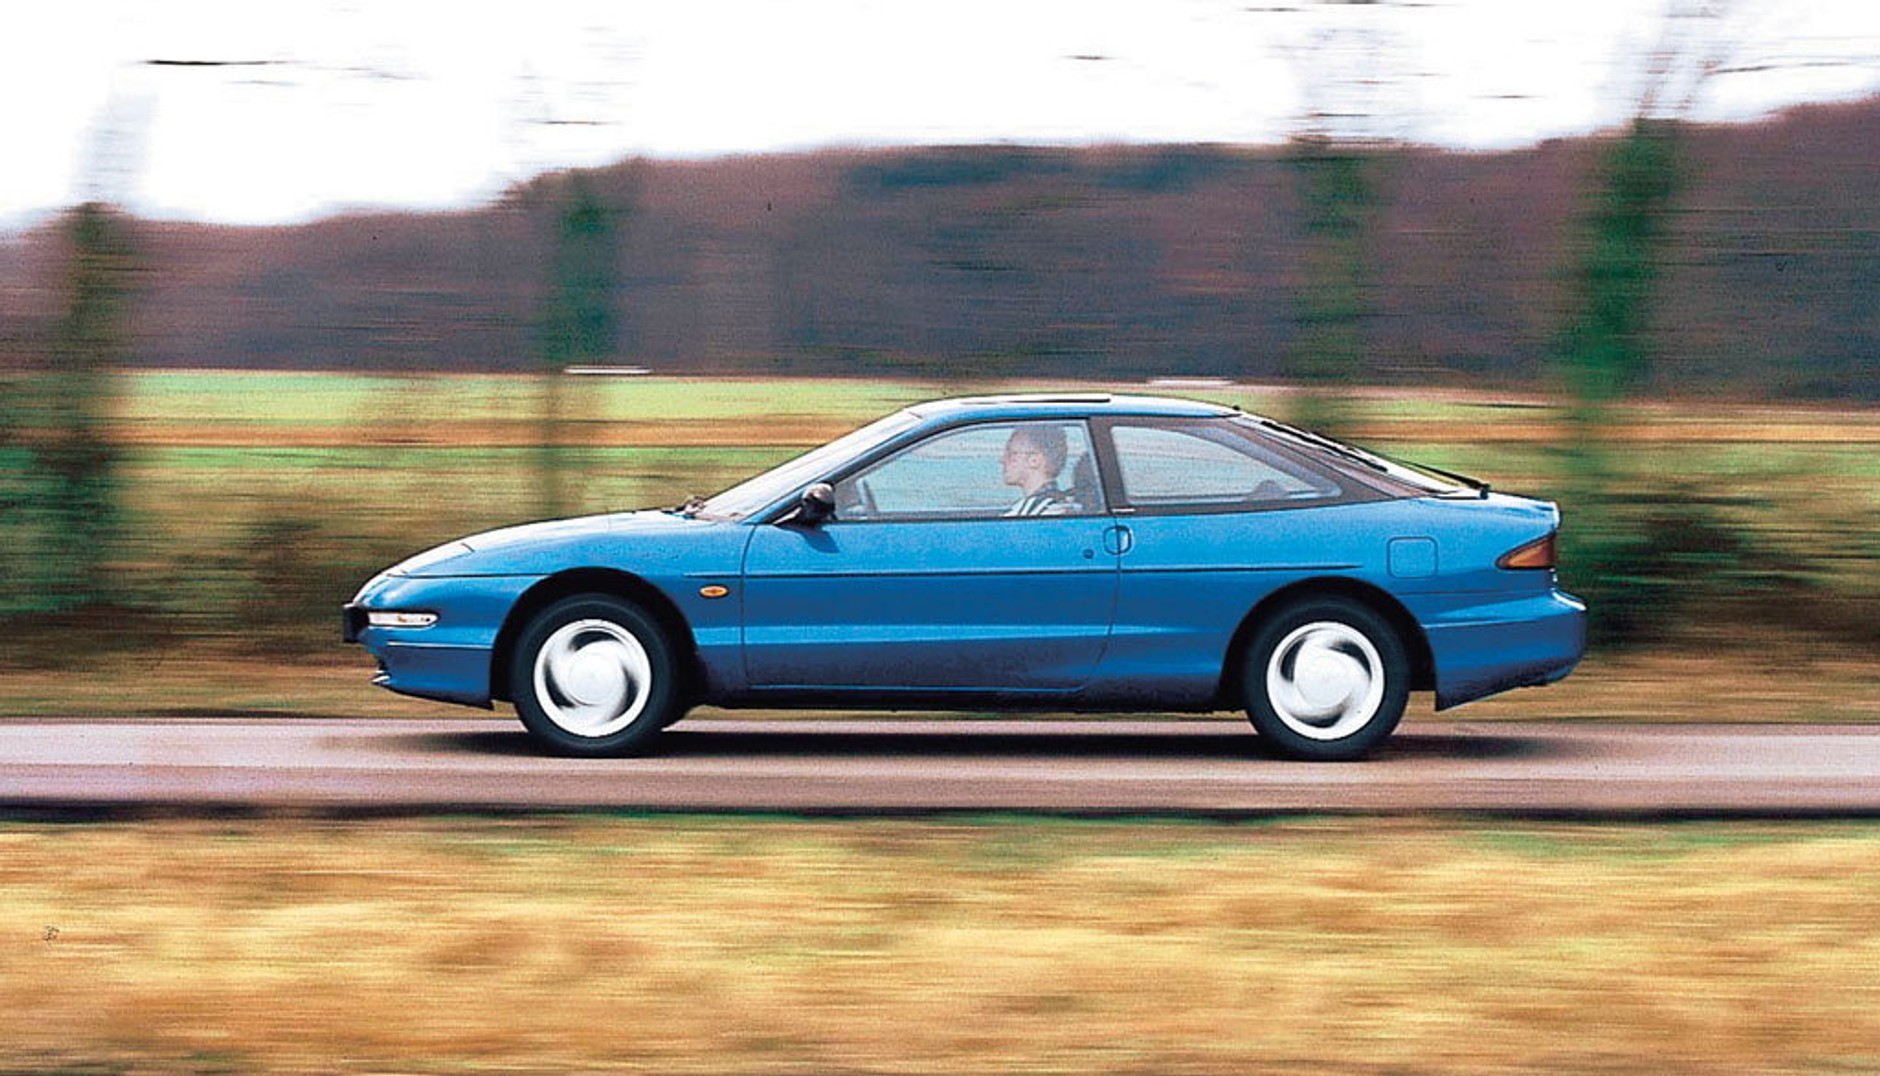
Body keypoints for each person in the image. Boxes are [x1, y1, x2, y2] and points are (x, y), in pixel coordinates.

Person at [1001, 425, 1073, 516]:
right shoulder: (1054, 507)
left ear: (1034, 460)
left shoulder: (1045, 512)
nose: (1002, 460)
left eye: (1011, 454)